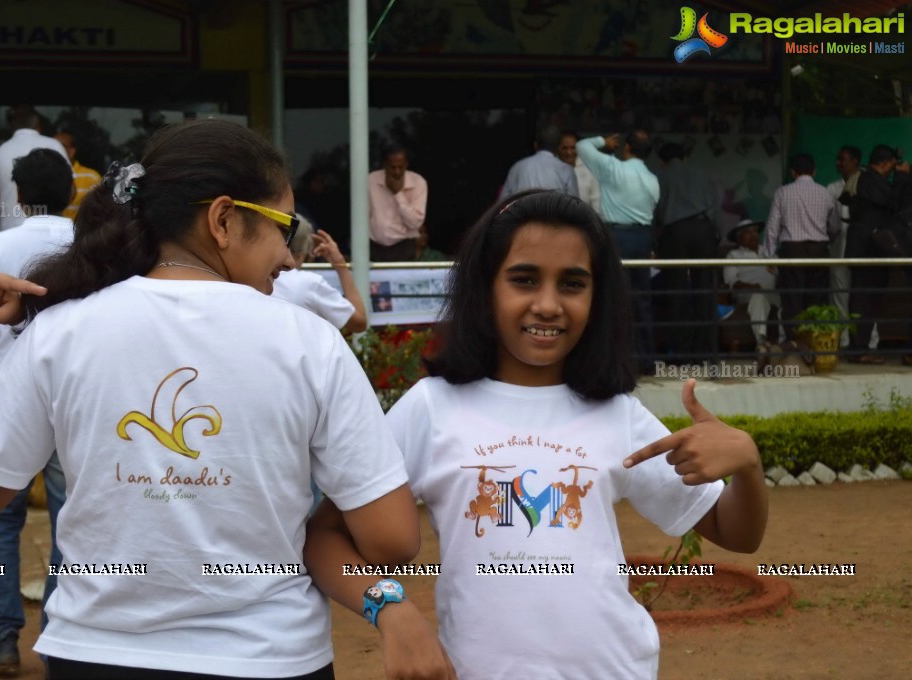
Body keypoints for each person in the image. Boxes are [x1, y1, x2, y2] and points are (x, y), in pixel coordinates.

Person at [0, 119, 445, 679]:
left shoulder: (60, 333)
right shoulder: (307, 341)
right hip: (269, 658)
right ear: (223, 220)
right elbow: (391, 538)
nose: (290, 256)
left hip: (95, 657)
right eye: (284, 226)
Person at [306, 190, 767, 679]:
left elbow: (734, 532)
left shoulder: (617, 414)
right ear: (486, 287)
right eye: (524, 279)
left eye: (572, 283)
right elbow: (324, 536)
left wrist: (748, 465)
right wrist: (391, 611)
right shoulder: (431, 407)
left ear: (596, 297)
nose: (548, 305)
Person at [0, 148, 73, 675]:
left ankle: (2, 641)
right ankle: (58, 640)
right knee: (69, 522)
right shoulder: (89, 244)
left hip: (9, 392)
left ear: (19, 195)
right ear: (71, 191)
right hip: (71, 397)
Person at [576, 130, 660, 373]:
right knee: (642, 300)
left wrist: (604, 141)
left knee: (614, 297)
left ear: (626, 149)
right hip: (643, 237)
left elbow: (582, 146)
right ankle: (646, 360)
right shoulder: (653, 179)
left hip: (618, 237)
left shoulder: (613, 168)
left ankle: (616, 358)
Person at [759, 153, 839, 340]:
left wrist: (769, 256)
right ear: (814, 171)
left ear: (793, 172)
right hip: (819, 250)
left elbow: (772, 226)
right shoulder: (826, 193)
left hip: (792, 250)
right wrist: (826, 241)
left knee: (792, 300)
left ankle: (795, 345)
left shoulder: (783, 192)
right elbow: (835, 226)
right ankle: (815, 343)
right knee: (817, 299)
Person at [843, 144, 910, 364]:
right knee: (864, 300)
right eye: (892, 166)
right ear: (886, 163)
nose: (893, 170)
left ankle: (860, 348)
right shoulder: (868, 180)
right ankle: (858, 350)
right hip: (866, 250)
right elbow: (894, 202)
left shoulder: (866, 178)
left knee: (867, 300)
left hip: (872, 250)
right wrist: (901, 179)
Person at [655, 142, 720, 362]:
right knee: (705, 288)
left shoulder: (661, 175)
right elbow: (713, 205)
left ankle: (681, 352)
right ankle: (706, 350)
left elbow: (659, 208)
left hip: (675, 231)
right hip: (703, 229)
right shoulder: (702, 173)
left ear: (663, 161)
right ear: (684, 157)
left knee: (676, 289)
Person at [272, 216, 367, 333]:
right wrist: (340, 265)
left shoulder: (256, 277)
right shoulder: (309, 283)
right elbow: (359, 323)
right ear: (302, 254)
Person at [0, 104, 70, 235]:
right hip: (54, 234)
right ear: (38, 126)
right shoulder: (55, 146)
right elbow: (71, 189)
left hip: (9, 235)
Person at [723, 219, 782, 346]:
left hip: (771, 292)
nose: (753, 235)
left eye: (755, 231)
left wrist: (775, 270)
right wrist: (750, 286)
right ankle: (761, 342)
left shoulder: (768, 252)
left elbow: (781, 273)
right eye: (748, 232)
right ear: (739, 238)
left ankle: (783, 343)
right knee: (758, 297)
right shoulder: (733, 255)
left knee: (788, 301)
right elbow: (731, 282)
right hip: (747, 294)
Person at [826, 145, 861, 347]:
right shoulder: (832, 188)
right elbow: (830, 223)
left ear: (855, 161)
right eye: (838, 159)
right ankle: (842, 342)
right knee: (839, 296)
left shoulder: (866, 185)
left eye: (843, 159)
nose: (839, 163)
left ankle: (868, 342)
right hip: (838, 250)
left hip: (863, 252)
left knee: (863, 298)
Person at [368, 145, 428, 261]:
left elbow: (415, 223)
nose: (397, 172)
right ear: (385, 165)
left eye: (401, 167)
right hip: (374, 247)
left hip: (404, 247)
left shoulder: (418, 182)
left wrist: (398, 194)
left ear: (407, 164)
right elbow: (361, 217)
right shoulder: (371, 181)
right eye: (392, 167)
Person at [499, 124, 578, 200]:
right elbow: (575, 206)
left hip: (522, 213)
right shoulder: (567, 170)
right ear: (558, 147)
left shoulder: (517, 167)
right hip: (553, 213)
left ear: (535, 145)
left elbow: (504, 201)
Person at [54, 131, 101, 221]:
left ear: (71, 152)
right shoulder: (43, 174)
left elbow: (99, 213)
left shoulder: (91, 177)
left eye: (60, 146)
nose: (54, 149)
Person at [557, 130, 600, 212]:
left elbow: (596, 201)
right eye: (564, 148)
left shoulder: (589, 169)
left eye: (573, 148)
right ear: (558, 148)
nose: (569, 152)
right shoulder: (551, 168)